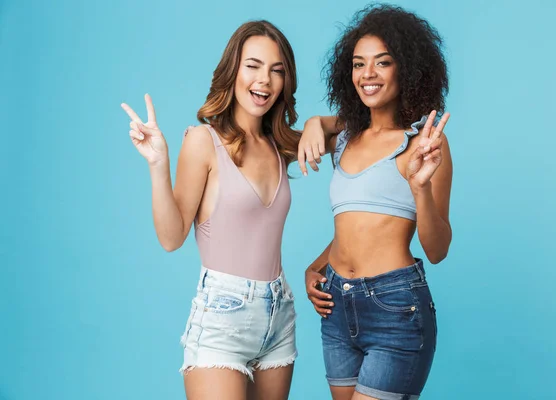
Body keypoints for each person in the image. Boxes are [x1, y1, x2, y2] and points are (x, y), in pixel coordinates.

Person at [121, 20, 335, 400]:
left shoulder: (280, 145)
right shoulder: (204, 141)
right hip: (222, 316)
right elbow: (172, 238)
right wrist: (158, 165)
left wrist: (318, 122)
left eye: (276, 70)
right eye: (253, 66)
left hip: (279, 316)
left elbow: (364, 124)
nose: (264, 81)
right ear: (232, 71)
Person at [301, 4, 453, 399]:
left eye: (382, 63)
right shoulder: (347, 136)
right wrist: (315, 268)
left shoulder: (425, 141)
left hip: (395, 308)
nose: (367, 74)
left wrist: (420, 187)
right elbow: (356, 225)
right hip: (336, 307)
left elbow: (437, 250)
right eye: (358, 64)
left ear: (406, 68)